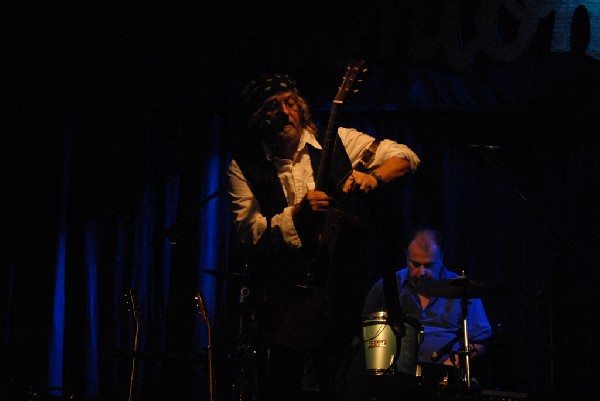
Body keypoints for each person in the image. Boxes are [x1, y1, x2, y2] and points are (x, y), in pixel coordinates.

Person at [226, 73, 421, 401]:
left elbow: (405, 157)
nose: (286, 112)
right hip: (282, 306)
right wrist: (297, 214)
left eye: (290, 103)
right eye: (274, 107)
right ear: (260, 117)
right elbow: (250, 232)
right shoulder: (244, 167)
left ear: (301, 108)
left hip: (339, 302)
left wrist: (372, 177)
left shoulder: (342, 141)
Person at [363, 227, 493, 399]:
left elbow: (480, 341)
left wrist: (457, 359)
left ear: (442, 256)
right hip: (397, 376)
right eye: (415, 264)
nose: (422, 272)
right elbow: (364, 331)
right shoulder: (387, 288)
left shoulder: (463, 290)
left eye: (429, 265)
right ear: (406, 256)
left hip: (446, 377)